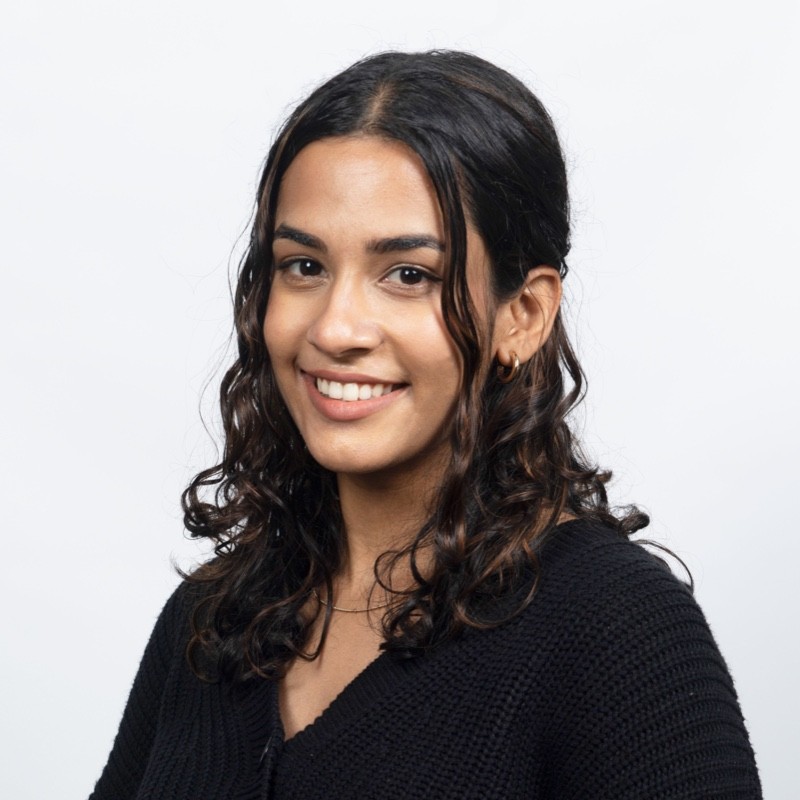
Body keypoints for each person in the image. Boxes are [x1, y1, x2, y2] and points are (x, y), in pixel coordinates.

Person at [90, 50, 762, 799]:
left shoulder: (618, 632)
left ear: (524, 314)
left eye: (409, 275)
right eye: (303, 266)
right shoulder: (213, 619)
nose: (337, 326)